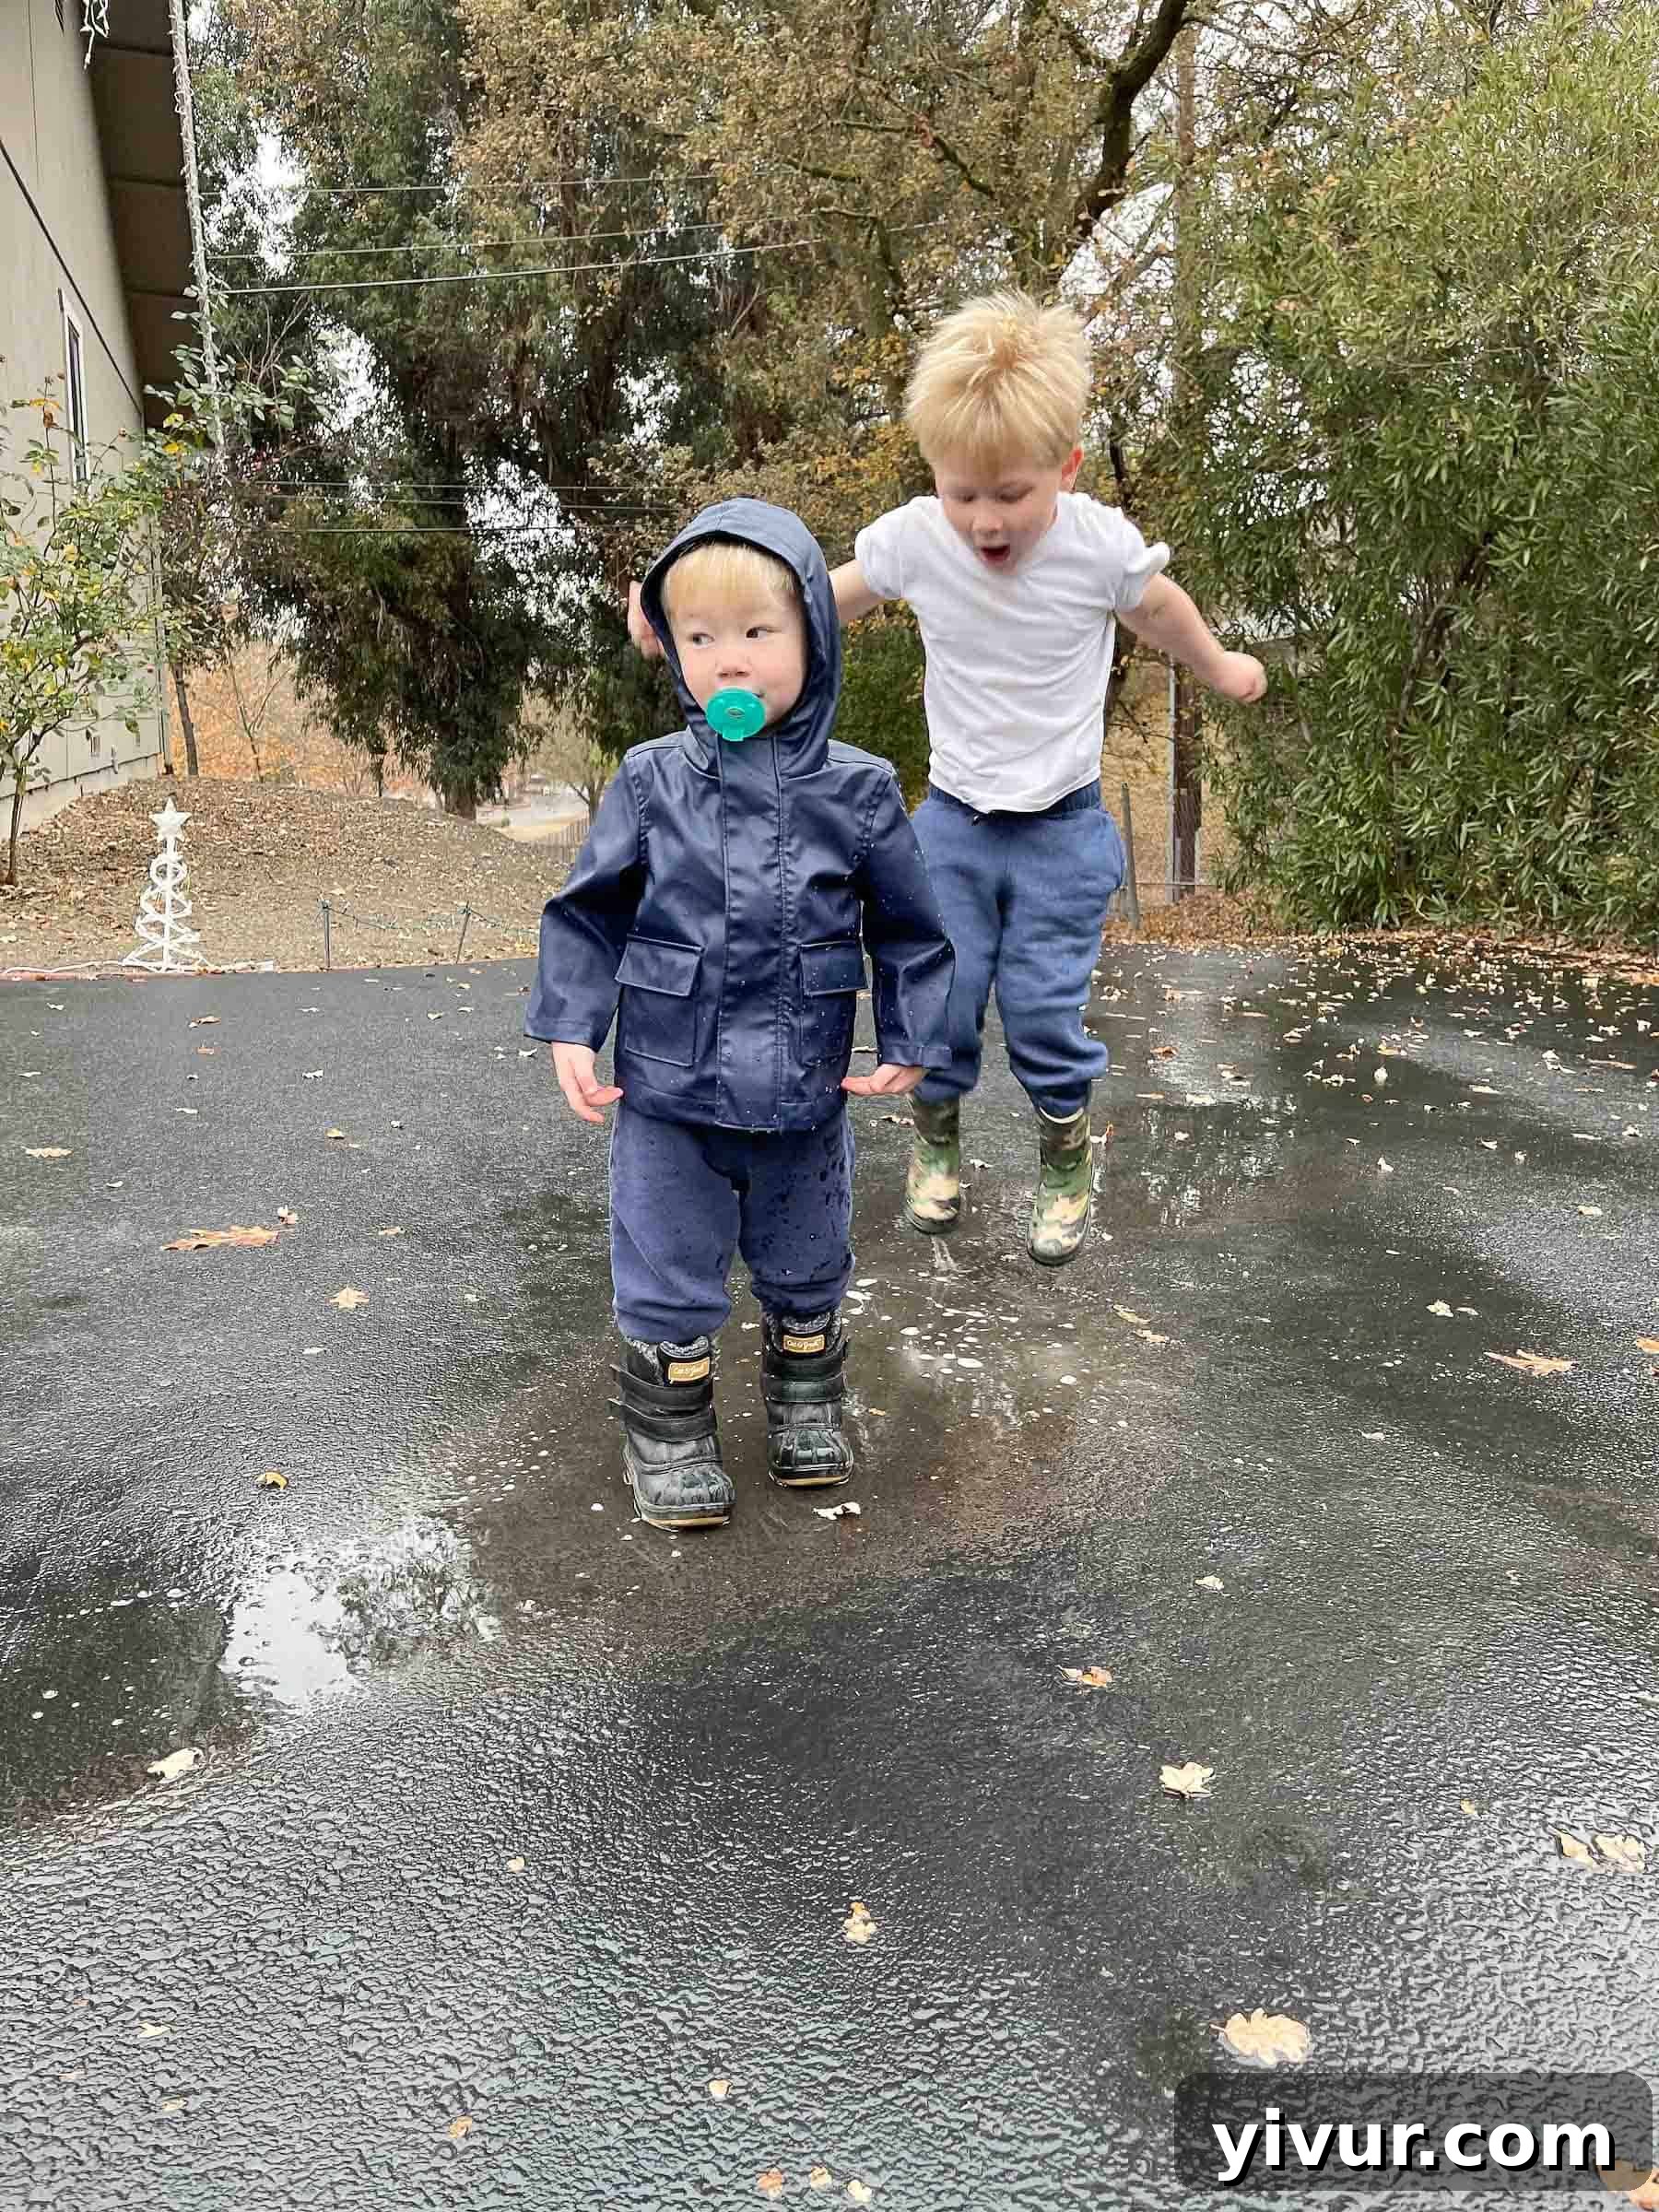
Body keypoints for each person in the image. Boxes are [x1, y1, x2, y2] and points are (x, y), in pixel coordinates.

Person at [634, 293, 1267, 1266]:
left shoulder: (1097, 544)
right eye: (960, 492)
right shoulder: (919, 537)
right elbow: (811, 599)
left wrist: (1221, 666)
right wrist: (693, 619)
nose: (983, 520)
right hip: (956, 823)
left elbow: (1159, 608)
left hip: (1063, 824)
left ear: (1066, 468)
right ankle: (938, 1145)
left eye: (1010, 494)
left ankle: (1064, 1154)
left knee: (1046, 1009)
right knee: (942, 995)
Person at [528, 500, 954, 1534]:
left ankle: (807, 1391)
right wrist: (571, 1028)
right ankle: (669, 1426)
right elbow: (589, 911)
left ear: (814, 630)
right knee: (668, 1261)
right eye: (701, 638)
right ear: (672, 652)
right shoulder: (650, 780)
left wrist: (910, 1033)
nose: (730, 662)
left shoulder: (857, 791)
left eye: (758, 634)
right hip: (667, 1086)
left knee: (808, 1257)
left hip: (807, 1085)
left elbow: (909, 925)